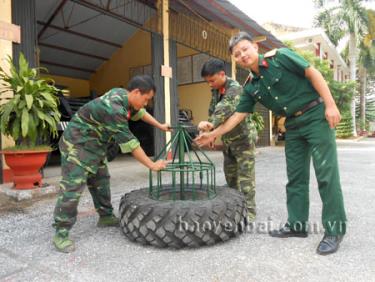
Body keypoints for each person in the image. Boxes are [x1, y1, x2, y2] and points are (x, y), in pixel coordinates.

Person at [195, 32, 347, 255]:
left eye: (245, 49)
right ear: (235, 60)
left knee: (326, 174)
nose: (243, 55)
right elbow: (238, 115)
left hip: (315, 115)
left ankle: (334, 230)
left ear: (255, 47)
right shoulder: (250, 86)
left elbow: (311, 72)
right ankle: (297, 225)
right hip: (293, 126)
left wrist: (331, 105)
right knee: (295, 177)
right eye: (237, 54)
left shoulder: (281, 57)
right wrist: (213, 134)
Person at [52, 75, 169, 253]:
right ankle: (61, 232)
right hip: (77, 145)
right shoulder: (114, 109)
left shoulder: (123, 95)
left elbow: (140, 113)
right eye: (146, 99)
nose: (145, 104)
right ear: (136, 92)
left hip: (95, 146)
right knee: (72, 188)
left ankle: (105, 216)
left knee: (101, 181)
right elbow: (132, 144)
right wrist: (152, 165)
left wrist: (159, 125)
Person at [198, 58, 257, 221]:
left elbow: (223, 109)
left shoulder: (235, 89)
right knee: (230, 175)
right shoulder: (217, 89)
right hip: (229, 139)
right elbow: (213, 109)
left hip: (244, 139)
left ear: (222, 74)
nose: (210, 84)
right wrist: (212, 133)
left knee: (246, 178)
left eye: (212, 80)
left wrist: (210, 126)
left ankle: (250, 212)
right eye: (207, 81)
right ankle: (235, 206)